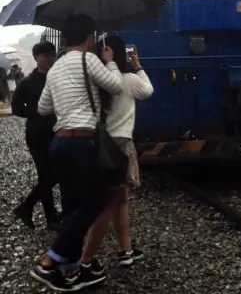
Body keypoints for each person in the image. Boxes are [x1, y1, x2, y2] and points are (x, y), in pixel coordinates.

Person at [29, 15, 124, 292]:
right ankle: (49, 262)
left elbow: (44, 107)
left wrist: (68, 98)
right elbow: (116, 86)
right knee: (92, 205)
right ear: (89, 38)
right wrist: (110, 62)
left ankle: (70, 269)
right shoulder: (88, 59)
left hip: (59, 143)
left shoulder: (56, 67)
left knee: (72, 207)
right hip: (82, 142)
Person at [81, 37, 153, 273]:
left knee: (119, 200)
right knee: (109, 203)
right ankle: (85, 260)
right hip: (120, 145)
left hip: (100, 144)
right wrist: (138, 65)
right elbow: (148, 91)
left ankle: (126, 250)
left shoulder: (94, 81)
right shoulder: (129, 80)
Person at [11, 41, 61, 230]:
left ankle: (26, 207)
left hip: (58, 130)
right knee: (46, 174)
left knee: (55, 174)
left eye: (52, 55)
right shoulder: (27, 83)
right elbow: (16, 108)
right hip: (37, 134)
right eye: (45, 55)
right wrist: (37, 111)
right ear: (36, 57)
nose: (49, 58)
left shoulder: (58, 78)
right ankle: (51, 217)